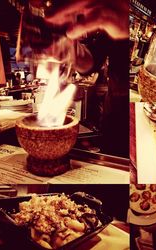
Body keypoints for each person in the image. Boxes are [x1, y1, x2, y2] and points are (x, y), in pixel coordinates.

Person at [45, 0, 130, 158]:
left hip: (133, 107)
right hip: (116, 118)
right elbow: (92, 62)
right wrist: (71, 49)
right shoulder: (109, 25)